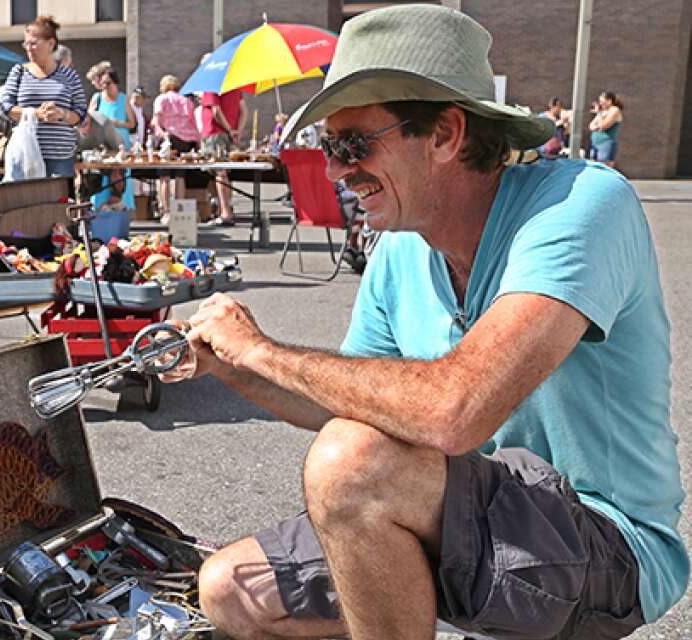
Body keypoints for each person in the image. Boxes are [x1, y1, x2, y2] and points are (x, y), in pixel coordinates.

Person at [167, 5, 687, 640]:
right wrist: (230, 365)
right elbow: (349, 407)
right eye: (329, 147)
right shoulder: (400, 250)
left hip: (604, 542)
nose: (334, 169)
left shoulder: (581, 205)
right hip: (461, 511)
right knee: (230, 590)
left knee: (351, 467)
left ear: (445, 134)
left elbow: (452, 412)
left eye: (353, 144)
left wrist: (262, 351)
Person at [0, 15, 87, 177]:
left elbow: (81, 114)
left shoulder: (69, 76)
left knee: (60, 202)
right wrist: (36, 113)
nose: (28, 48)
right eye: (26, 43)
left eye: (34, 43)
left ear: (51, 43)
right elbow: (5, 107)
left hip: (60, 159)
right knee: (27, 202)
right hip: (25, 157)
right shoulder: (19, 72)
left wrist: (62, 114)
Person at [152, 74, 201, 224]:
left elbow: (157, 121)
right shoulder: (186, 101)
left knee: (165, 177)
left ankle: (166, 212)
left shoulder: (162, 99)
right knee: (180, 176)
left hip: (169, 138)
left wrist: (160, 134)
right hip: (186, 141)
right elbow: (194, 122)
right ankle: (179, 211)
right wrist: (198, 142)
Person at [200, 81, 247, 226]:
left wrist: (229, 130)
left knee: (219, 172)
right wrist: (237, 130)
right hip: (226, 134)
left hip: (215, 133)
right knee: (223, 172)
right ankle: (223, 209)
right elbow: (244, 110)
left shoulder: (212, 86)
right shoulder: (234, 86)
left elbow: (215, 111)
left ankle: (225, 212)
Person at [91, 66, 136, 211]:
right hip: (103, 145)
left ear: (115, 83)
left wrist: (116, 123)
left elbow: (132, 123)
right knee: (102, 177)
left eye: (108, 83)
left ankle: (122, 209)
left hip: (121, 145)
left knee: (121, 177)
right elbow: (89, 119)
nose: (105, 87)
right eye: (102, 83)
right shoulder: (97, 98)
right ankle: (99, 208)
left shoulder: (124, 99)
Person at [589, 91, 624, 169]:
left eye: (602, 102)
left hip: (605, 143)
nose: (600, 104)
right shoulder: (603, 112)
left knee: (603, 169)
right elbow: (591, 126)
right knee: (594, 168)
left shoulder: (614, 110)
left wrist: (599, 114)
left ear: (609, 101)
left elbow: (603, 125)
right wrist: (599, 120)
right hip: (595, 143)